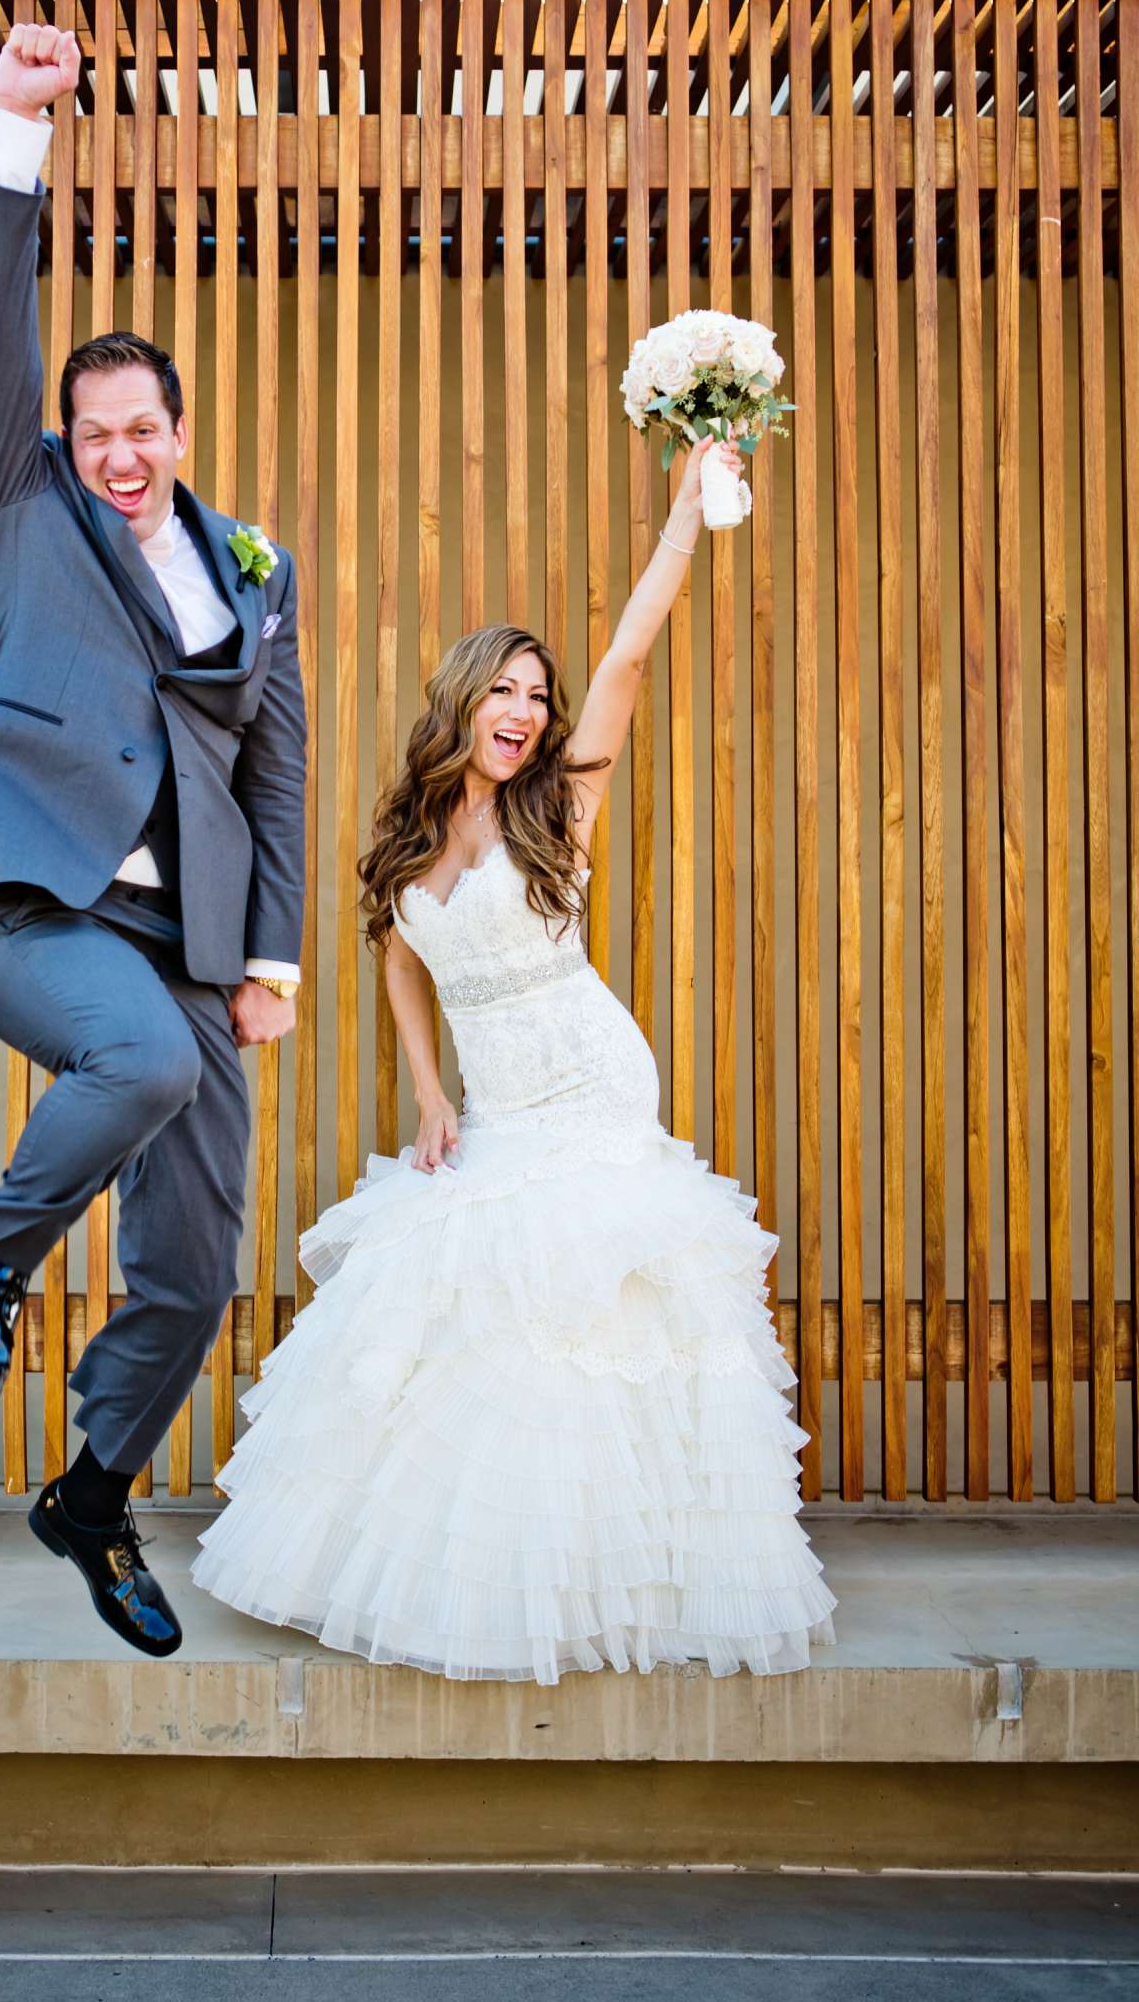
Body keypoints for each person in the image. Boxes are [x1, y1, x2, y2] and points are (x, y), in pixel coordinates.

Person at [194, 438, 834, 1682]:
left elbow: (629, 657)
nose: (528, 713)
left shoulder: (562, 803)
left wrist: (682, 523)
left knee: (582, 1302)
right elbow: (393, 949)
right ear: (466, 697)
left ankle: (606, 1575)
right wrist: (430, 1092)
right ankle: (471, 1567)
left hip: (587, 1074)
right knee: (469, 1295)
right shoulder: (412, 826)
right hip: (493, 1095)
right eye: (510, 692)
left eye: (540, 699)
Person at [0, 22, 306, 1658]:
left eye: (146, 429)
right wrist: (11, 126)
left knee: (199, 1267)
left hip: (193, 951)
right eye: (97, 435)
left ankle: (92, 1492)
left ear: (180, 433)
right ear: (65, 444)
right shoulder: (16, 502)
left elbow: (279, 771)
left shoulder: (257, 573)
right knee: (131, 1070)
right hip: (31, 908)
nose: (121, 455)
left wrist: (270, 955)